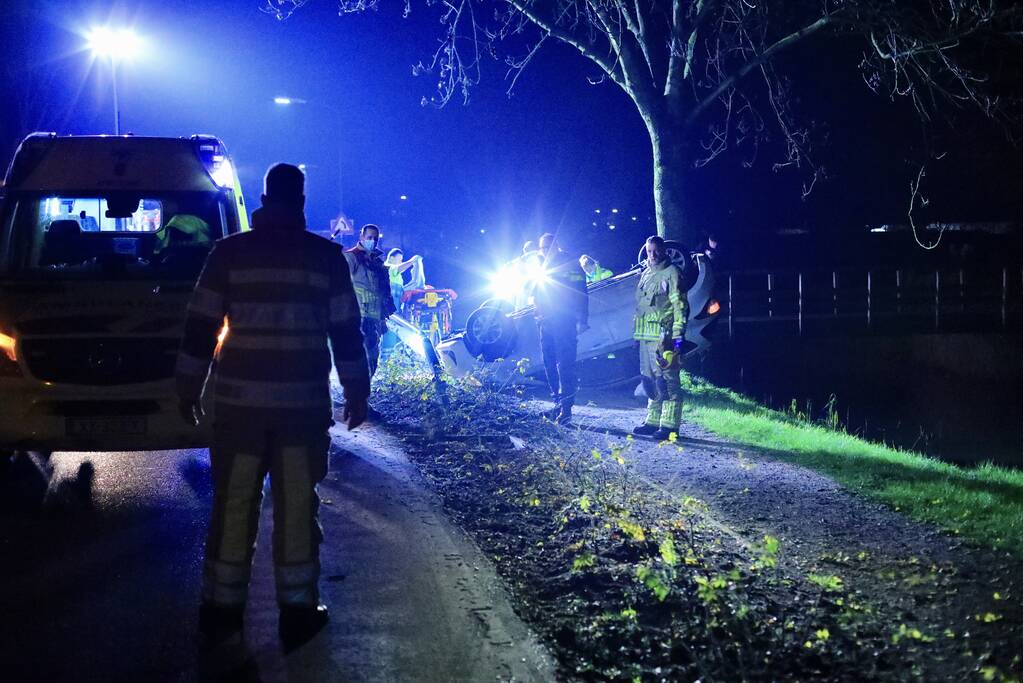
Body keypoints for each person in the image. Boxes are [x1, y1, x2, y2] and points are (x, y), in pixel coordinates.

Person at [175, 163, 370, 648]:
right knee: (297, 506)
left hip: (238, 410)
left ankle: (222, 611)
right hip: (300, 412)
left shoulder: (228, 254)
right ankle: (298, 611)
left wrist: (188, 388)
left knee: (233, 504)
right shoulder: (325, 258)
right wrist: (357, 392)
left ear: (263, 200)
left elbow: (200, 327)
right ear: (301, 201)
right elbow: (347, 332)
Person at [632, 235, 688, 440]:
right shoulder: (646, 274)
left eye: (656, 251)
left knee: (668, 381)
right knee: (650, 380)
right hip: (645, 336)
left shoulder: (673, 273)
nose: (653, 255)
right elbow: (640, 307)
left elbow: (680, 307)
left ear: (664, 250)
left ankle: (670, 426)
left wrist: (678, 338)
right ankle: (653, 421)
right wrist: (636, 335)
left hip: (664, 337)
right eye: (649, 251)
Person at [533, 232, 588, 425]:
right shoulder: (539, 266)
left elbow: (581, 292)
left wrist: (583, 319)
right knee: (549, 363)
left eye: (548, 247)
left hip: (565, 321)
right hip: (545, 321)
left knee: (565, 365)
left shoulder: (571, 263)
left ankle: (566, 409)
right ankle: (557, 403)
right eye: (542, 248)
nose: (545, 251)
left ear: (557, 246)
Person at [344, 224, 396, 376]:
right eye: (369, 237)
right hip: (357, 316)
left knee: (373, 357)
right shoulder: (351, 257)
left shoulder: (377, 263)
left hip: (374, 317)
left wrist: (384, 316)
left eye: (375, 238)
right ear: (361, 237)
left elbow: (383, 291)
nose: (372, 241)